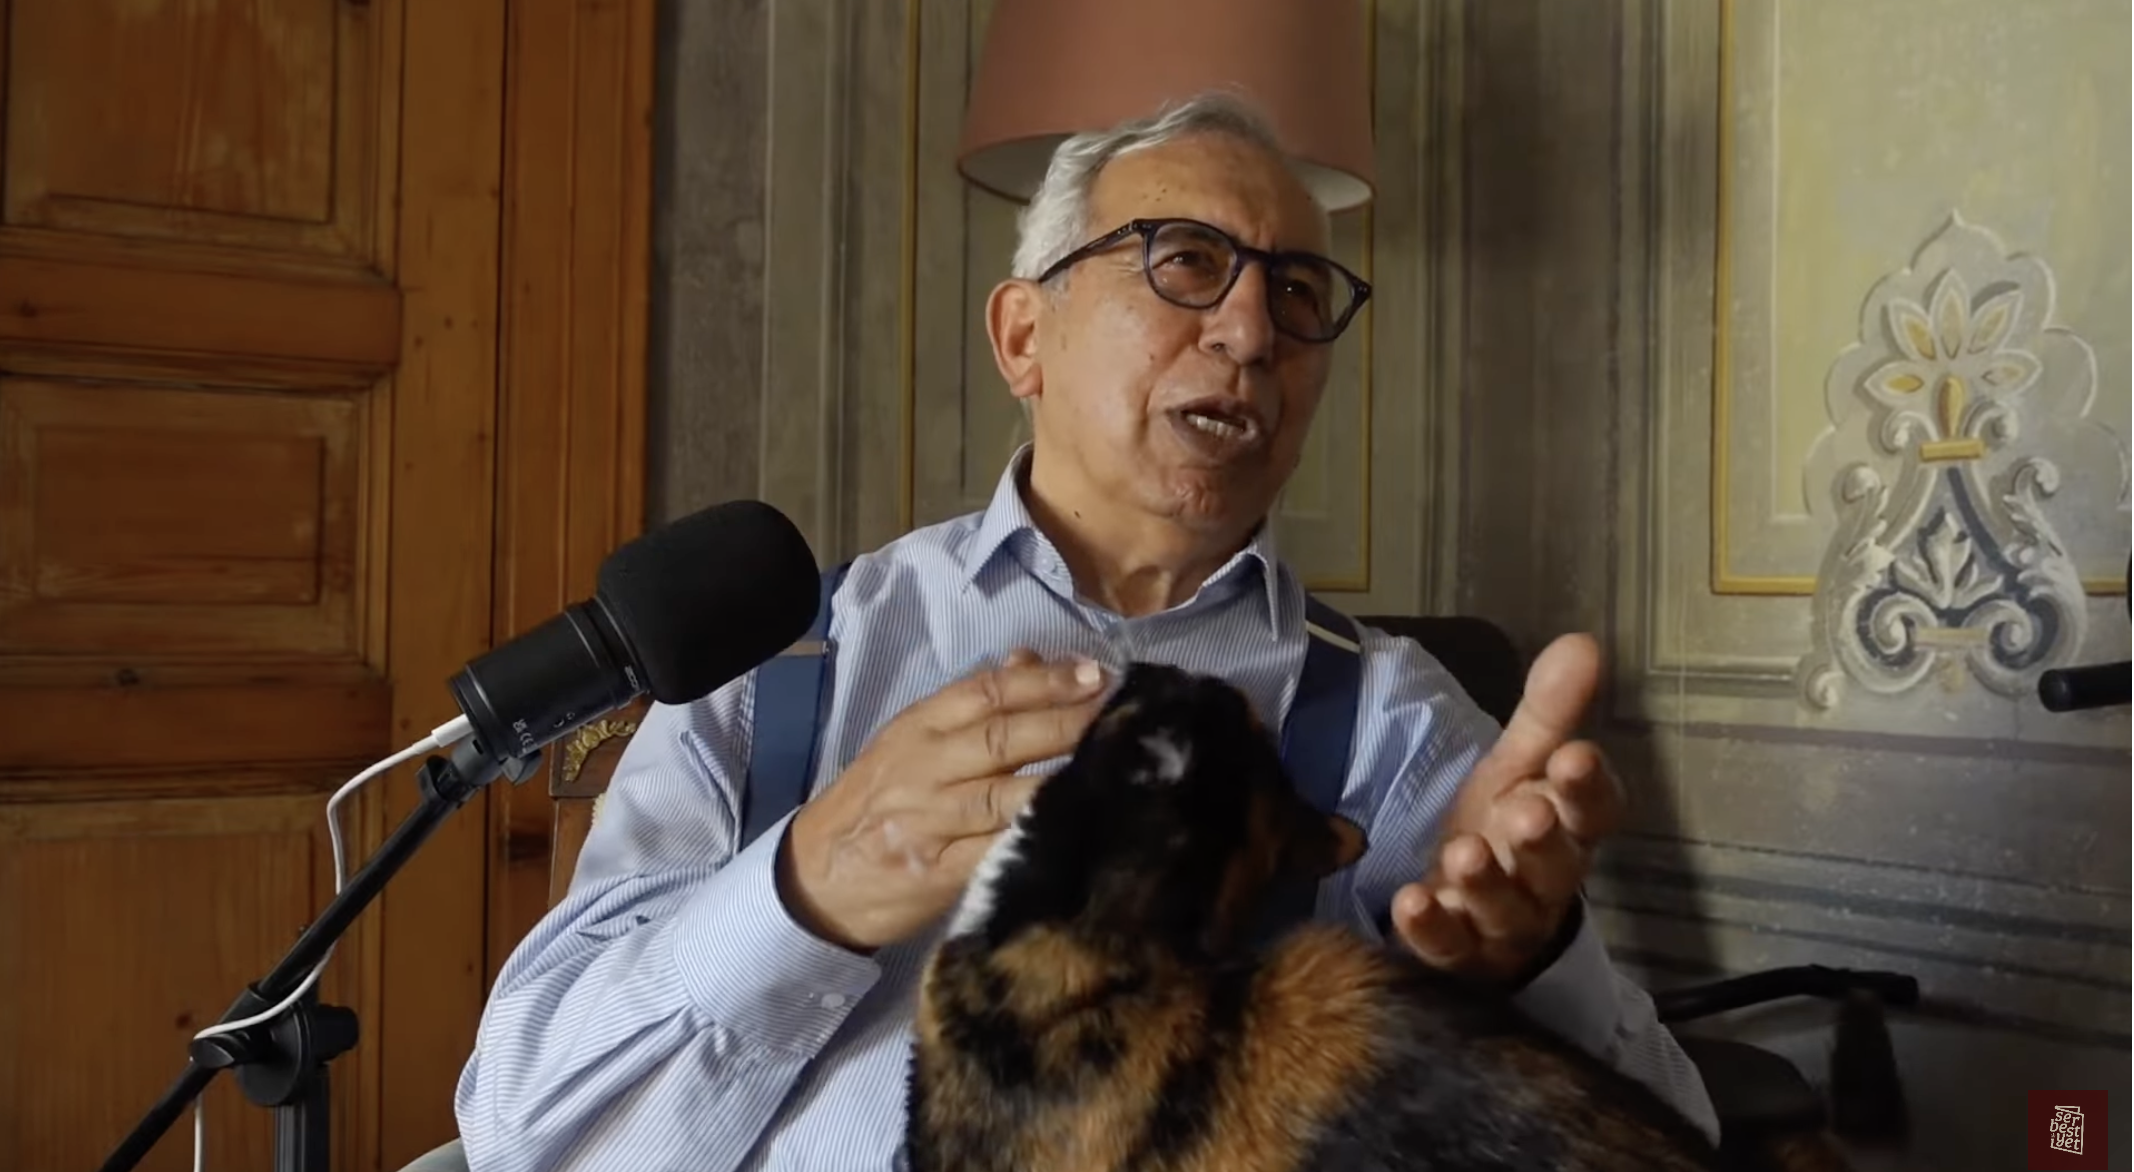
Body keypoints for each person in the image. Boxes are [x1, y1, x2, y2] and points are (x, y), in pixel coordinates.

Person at [454, 91, 1720, 1171]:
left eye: (1295, 291)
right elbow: (518, 1126)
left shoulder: (1392, 723)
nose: (1251, 332)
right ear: (1024, 336)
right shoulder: (785, 659)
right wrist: (810, 884)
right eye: (1184, 260)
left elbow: (1677, 1125)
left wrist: (1534, 964)